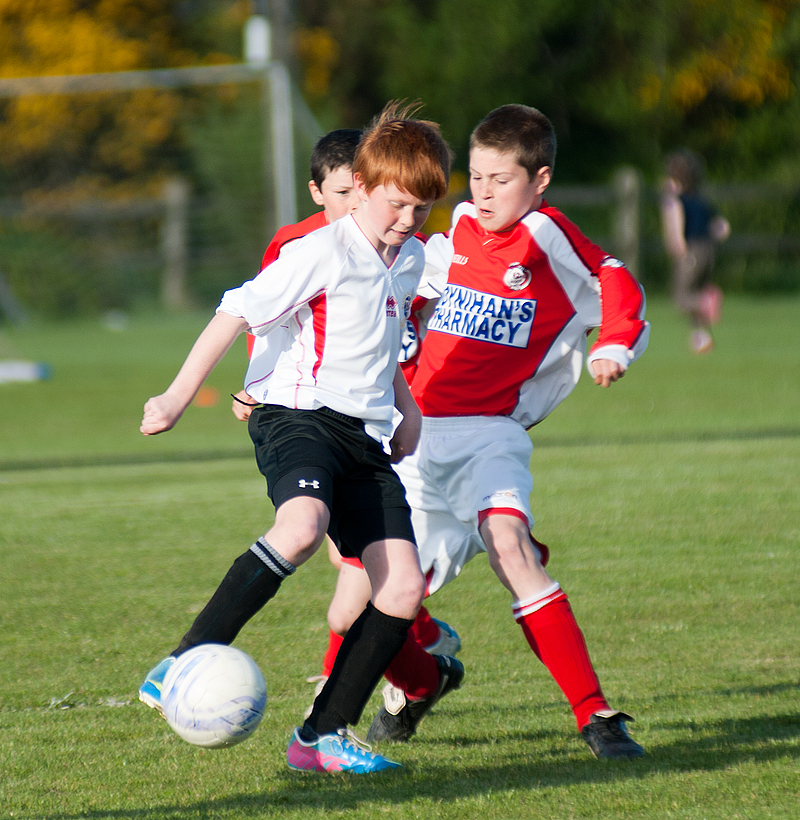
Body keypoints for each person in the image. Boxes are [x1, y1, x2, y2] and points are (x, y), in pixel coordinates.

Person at [322, 104, 650, 759]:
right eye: (475, 177)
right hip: (416, 438)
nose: (483, 192)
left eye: (501, 179)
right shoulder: (462, 227)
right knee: (357, 596)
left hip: (490, 437)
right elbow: (420, 286)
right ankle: (405, 691)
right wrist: (408, 325)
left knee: (510, 547)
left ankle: (596, 717)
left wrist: (614, 345)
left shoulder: (548, 238)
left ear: (541, 180)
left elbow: (615, 279)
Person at [137, 101, 454, 774]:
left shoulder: (411, 258)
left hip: (363, 438)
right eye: (395, 206)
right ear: (360, 189)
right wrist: (175, 395)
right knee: (303, 525)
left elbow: (384, 345)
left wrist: (410, 411)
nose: (406, 222)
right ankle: (179, 663)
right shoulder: (320, 252)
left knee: (399, 589)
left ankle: (321, 739)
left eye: (420, 211)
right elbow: (234, 310)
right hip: (297, 416)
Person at [228, 130, 463, 704]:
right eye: (338, 194)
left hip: (388, 415)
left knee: (355, 586)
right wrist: (253, 385)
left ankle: (344, 699)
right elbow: (270, 317)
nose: (352, 207)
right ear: (325, 192)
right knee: (352, 576)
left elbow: (413, 313)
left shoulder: (411, 248)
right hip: (327, 412)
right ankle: (422, 655)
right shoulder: (304, 246)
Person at [660, 148, 730, 354]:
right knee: (696, 291)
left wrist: (678, 246)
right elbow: (722, 228)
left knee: (681, 299)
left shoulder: (675, 199)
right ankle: (701, 338)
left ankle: (706, 301)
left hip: (690, 251)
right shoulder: (702, 200)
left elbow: (675, 222)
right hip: (708, 251)